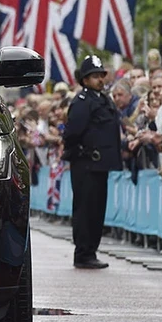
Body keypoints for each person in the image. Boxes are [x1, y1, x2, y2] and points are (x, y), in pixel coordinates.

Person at [63, 55, 122, 269]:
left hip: (100, 164)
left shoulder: (104, 99)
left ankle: (91, 250)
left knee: (97, 210)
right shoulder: (82, 102)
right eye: (94, 76)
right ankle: (83, 253)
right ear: (85, 80)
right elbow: (72, 133)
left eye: (100, 75)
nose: (99, 79)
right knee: (86, 209)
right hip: (86, 163)